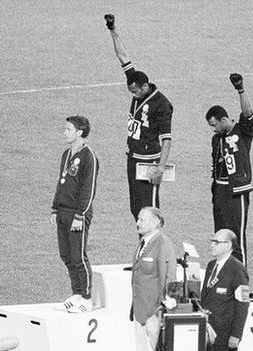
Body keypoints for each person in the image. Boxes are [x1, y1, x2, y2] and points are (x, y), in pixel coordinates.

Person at [104, 13, 174, 221]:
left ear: (145, 86)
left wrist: (160, 168)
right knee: (136, 209)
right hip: (132, 158)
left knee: (150, 210)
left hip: (148, 163)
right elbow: (123, 57)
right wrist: (112, 29)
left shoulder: (162, 105)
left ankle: (156, 250)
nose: (133, 96)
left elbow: (167, 140)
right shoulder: (137, 82)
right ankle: (144, 247)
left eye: (135, 92)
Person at [51, 115, 99, 313]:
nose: (65, 132)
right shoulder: (66, 154)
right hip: (62, 211)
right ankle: (76, 294)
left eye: (68, 129)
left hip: (77, 214)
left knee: (78, 256)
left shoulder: (89, 157)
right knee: (66, 256)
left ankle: (87, 298)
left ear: (79, 132)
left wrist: (81, 215)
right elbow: (61, 182)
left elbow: (89, 190)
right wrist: (55, 207)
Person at [205, 74, 253, 266]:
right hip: (219, 192)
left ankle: (242, 284)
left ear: (224, 119)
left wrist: (240, 90)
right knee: (221, 237)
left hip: (236, 192)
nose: (213, 130)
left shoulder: (243, 132)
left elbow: (248, 114)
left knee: (236, 239)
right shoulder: (216, 139)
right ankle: (225, 278)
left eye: (214, 125)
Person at [130, 206, 177, 351]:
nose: (138, 223)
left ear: (155, 222)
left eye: (142, 220)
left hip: (155, 312)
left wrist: (172, 305)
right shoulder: (142, 243)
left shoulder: (164, 243)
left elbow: (171, 275)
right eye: (138, 219)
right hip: (139, 310)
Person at [200, 229, 250, 351]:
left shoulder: (238, 270)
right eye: (212, 241)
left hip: (224, 336)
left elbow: (242, 305)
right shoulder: (211, 265)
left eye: (216, 242)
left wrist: (236, 335)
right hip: (206, 330)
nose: (212, 245)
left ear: (228, 246)